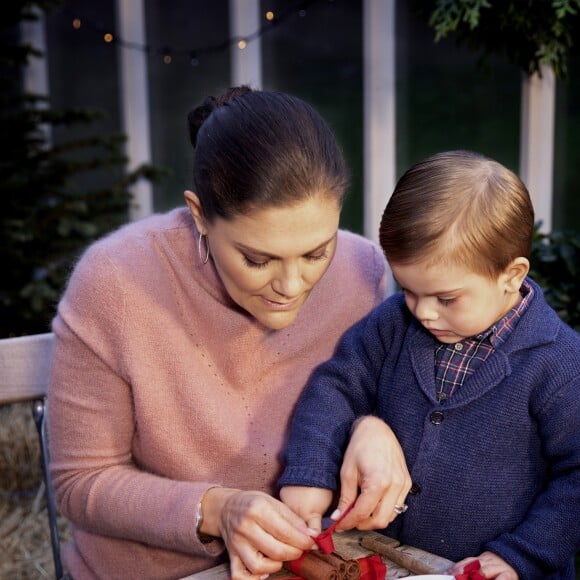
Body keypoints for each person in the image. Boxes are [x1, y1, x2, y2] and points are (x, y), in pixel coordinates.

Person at [47, 85, 411, 580]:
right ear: (199, 215)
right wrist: (218, 509)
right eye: (257, 259)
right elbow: (80, 482)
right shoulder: (115, 283)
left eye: (315, 252)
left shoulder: (360, 269)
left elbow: (367, 392)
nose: (291, 285)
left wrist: (376, 426)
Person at [279, 150, 580, 580]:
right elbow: (337, 387)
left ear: (512, 275)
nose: (423, 312)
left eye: (446, 297)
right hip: (392, 561)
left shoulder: (561, 365)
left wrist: (522, 555)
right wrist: (311, 471)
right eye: (408, 289)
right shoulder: (392, 323)